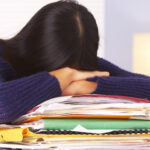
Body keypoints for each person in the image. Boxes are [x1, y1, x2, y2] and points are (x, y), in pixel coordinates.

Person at [0, 0, 149, 123]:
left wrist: (90, 87)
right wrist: (56, 80)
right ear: (36, 49)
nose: (70, 75)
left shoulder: (78, 66)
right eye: (64, 70)